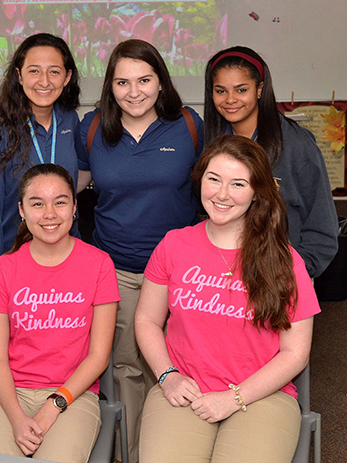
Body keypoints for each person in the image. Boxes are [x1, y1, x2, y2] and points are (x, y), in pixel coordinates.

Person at [135, 135, 320, 463]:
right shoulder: (174, 245)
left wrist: (234, 397)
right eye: (213, 179)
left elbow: (295, 353)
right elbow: (147, 320)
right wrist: (167, 375)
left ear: (256, 193)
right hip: (184, 388)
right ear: (199, 180)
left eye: (237, 184)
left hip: (263, 395)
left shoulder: (286, 261)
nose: (222, 194)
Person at [77, 38, 204, 463]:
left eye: (144, 80)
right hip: (121, 270)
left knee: (179, 362)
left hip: (183, 274)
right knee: (128, 366)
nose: (134, 92)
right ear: (109, 87)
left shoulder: (188, 124)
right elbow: (72, 189)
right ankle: (133, 453)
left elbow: (217, 189)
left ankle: (173, 449)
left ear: (161, 81)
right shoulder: (93, 127)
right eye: (122, 82)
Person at [0, 164, 120, 463]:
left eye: (60, 202)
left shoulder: (100, 265)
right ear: (22, 210)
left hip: (73, 394)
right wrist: (16, 418)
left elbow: (98, 356)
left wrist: (54, 405)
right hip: (10, 393)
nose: (50, 214)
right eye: (37, 203)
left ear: (75, 207)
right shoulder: (3, 268)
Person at [203, 46, 338, 278]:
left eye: (241, 89)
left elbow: (322, 226)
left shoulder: (296, 145)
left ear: (259, 89)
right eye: (220, 91)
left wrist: (293, 275)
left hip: (281, 278)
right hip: (223, 276)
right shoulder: (212, 141)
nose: (230, 99)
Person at [0, 33, 83, 283]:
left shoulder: (69, 120)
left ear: (67, 77)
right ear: (19, 76)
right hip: (15, 252)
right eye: (34, 71)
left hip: (65, 249)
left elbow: (73, 182)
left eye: (54, 72)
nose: (44, 81)